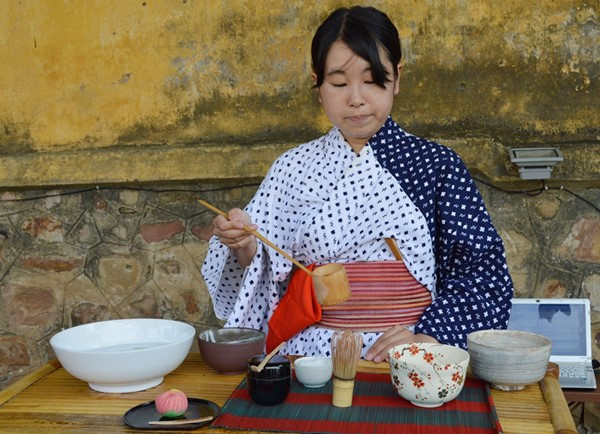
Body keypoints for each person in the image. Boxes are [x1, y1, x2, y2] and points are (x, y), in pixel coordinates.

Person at [201, 5, 513, 363]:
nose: (356, 98)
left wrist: (428, 337)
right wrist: (243, 244)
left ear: (397, 77)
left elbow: (484, 273)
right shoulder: (292, 168)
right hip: (311, 357)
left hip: (405, 356)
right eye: (338, 82)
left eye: (372, 79)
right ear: (317, 84)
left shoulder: (437, 166)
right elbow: (268, 272)